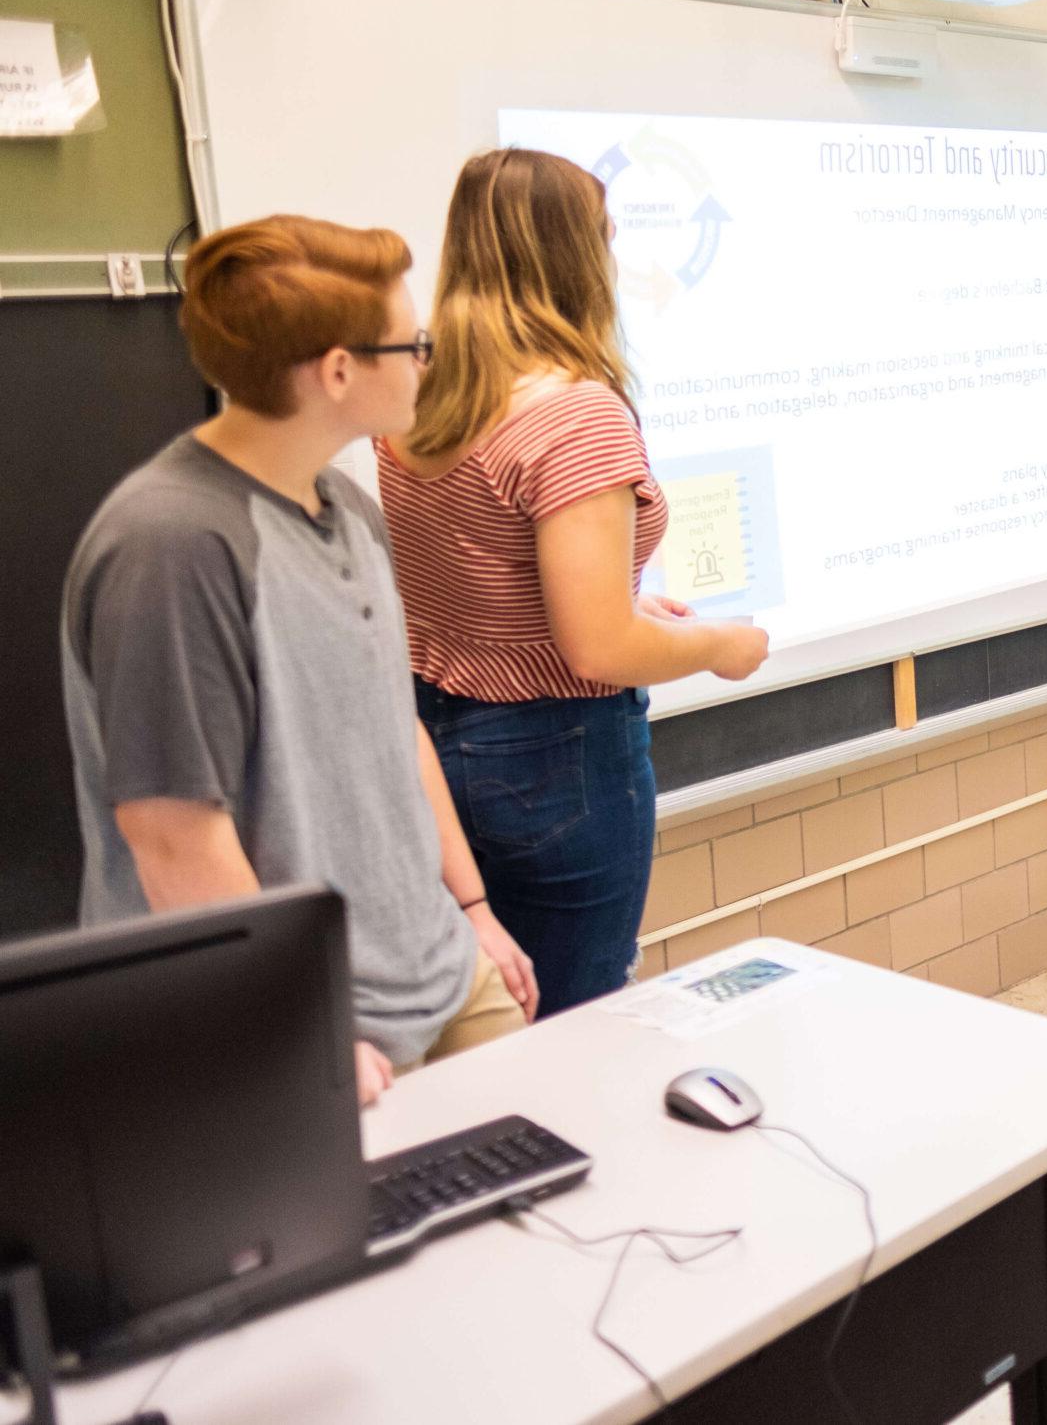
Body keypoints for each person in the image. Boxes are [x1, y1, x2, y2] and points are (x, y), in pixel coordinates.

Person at [60, 215, 537, 1106]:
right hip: (310, 1027)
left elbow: (397, 731)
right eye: (414, 343)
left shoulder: (350, 507)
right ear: (341, 371)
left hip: (436, 967)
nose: (426, 363)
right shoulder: (173, 545)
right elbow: (172, 836)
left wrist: (473, 911)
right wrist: (296, 1024)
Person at [381, 150, 767, 1017]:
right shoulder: (575, 411)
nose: (617, 243)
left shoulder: (419, 389)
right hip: (559, 763)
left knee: (490, 1020)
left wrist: (625, 599)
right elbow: (594, 648)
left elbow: (487, 568)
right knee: (576, 1023)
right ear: (569, 255)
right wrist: (719, 645)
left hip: (442, 752)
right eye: (603, 230)